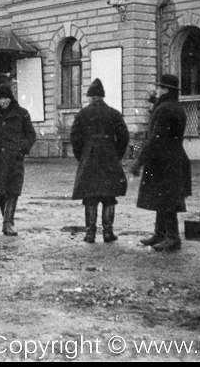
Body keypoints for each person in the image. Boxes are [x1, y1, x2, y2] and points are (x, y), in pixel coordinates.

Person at [131, 73, 192, 252]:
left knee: (167, 199)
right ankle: (160, 233)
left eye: (158, 87)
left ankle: (172, 237)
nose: (155, 90)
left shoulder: (164, 109)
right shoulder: (175, 107)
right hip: (173, 157)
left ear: (164, 89)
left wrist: (138, 162)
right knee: (163, 197)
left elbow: (156, 138)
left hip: (165, 160)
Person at [70, 78, 130, 244]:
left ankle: (90, 233)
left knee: (90, 196)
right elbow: (124, 137)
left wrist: (81, 156)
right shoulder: (114, 113)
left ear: (90, 97)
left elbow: (75, 138)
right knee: (109, 195)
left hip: (89, 158)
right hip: (110, 156)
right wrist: (116, 154)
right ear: (102, 96)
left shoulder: (82, 114)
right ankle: (108, 232)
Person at [0, 83, 37, 236]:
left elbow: (31, 134)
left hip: (14, 159)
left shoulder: (22, 114)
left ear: (11, 99)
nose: (3, 102)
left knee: (13, 190)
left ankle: (7, 223)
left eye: (6, 99)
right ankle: (7, 220)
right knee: (0, 190)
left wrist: (22, 148)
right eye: (0, 99)